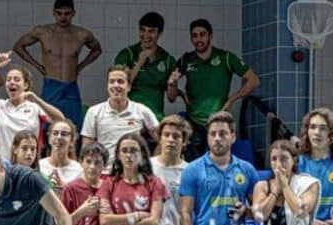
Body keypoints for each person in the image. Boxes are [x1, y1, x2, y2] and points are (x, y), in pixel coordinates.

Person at [167, 19, 259, 161]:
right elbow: (171, 97)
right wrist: (172, 84)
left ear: (210, 36)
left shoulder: (226, 58)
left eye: (202, 34)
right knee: (193, 166)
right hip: (194, 124)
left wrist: (232, 100)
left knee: (220, 164)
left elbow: (253, 80)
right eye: (194, 36)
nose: (198, 39)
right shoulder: (186, 60)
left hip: (219, 122)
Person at [12, 0, 102, 130]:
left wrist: (81, 66)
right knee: (46, 123)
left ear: (73, 14)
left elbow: (97, 49)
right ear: (54, 13)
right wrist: (38, 66)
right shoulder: (42, 32)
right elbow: (18, 46)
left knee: (73, 125)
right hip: (51, 85)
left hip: (71, 86)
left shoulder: (82, 34)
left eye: (67, 14)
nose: (63, 17)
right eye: (59, 13)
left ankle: (73, 150)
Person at [0, 51, 65, 160]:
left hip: (29, 168)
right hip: (2, 167)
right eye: (8, 80)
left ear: (25, 85)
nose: (11, 82)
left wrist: (37, 100)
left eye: (16, 80)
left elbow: (60, 120)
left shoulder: (35, 107)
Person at [80, 65, 158, 172]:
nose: (115, 85)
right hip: (104, 174)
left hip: (133, 174)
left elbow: (162, 140)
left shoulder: (142, 111)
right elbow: (86, 149)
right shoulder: (94, 112)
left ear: (129, 86)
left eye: (120, 81)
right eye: (112, 81)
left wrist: (152, 164)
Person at [113, 11, 177, 122]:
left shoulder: (167, 60)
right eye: (142, 30)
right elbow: (120, 88)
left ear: (159, 33)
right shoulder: (127, 54)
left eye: (151, 31)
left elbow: (172, 98)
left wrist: (172, 84)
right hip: (129, 119)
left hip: (155, 119)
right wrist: (139, 63)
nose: (146, 35)